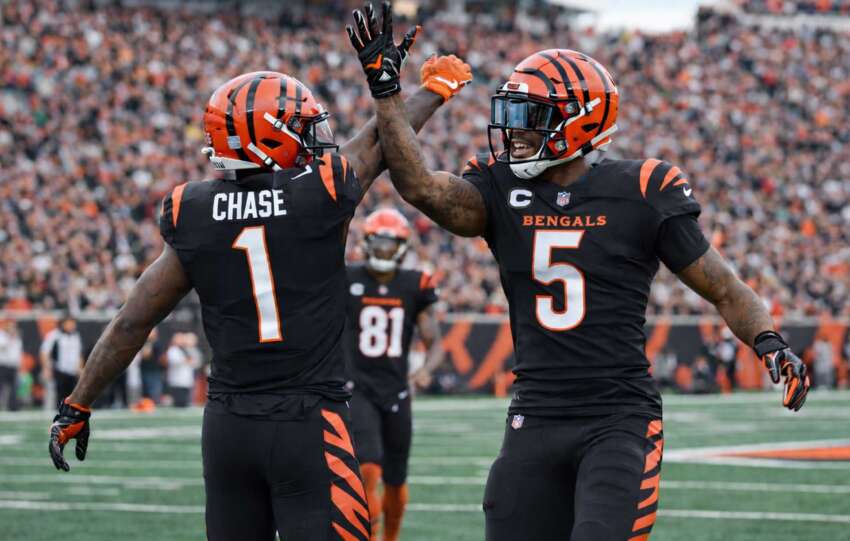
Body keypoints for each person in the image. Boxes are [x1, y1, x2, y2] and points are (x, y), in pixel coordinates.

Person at [346, 8, 810, 539]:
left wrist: (770, 342)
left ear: (580, 121)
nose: (514, 132)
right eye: (514, 115)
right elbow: (421, 187)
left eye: (531, 117)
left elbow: (724, 287)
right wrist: (387, 90)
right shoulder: (501, 189)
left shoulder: (643, 189)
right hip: (535, 412)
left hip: (617, 416)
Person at [46, 41, 471, 541]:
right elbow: (381, 140)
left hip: (228, 429)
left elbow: (131, 324)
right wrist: (434, 90)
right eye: (304, 129)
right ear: (269, 139)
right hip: (309, 423)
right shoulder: (320, 192)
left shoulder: (194, 210)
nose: (317, 141)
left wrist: (78, 403)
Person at [345, 208, 444, 541]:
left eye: (390, 244)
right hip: (357, 386)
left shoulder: (415, 284)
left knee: (397, 478)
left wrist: (426, 370)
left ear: (401, 247)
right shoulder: (348, 278)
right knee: (369, 466)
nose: (384, 250)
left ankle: (391, 538)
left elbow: (435, 343)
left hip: (397, 389)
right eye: (379, 243)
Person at [40, 315, 84, 408]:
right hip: (59, 370)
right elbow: (44, 352)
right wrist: (46, 368)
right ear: (63, 324)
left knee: (72, 398)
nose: (72, 325)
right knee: (59, 398)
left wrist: (80, 368)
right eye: (69, 323)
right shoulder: (54, 335)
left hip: (73, 372)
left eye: (73, 323)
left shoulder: (76, 336)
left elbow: (79, 354)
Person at [166, 332, 202, 407]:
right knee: (179, 402)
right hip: (176, 380)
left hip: (186, 379)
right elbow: (175, 361)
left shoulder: (185, 350)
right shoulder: (173, 349)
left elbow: (195, 362)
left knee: (185, 401)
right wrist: (187, 361)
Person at [0, 319, 23, 411]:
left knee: (14, 387)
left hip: (13, 366)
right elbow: (2, 347)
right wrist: (10, 337)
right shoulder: (2, 335)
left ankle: (13, 407)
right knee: (1, 387)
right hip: (3, 365)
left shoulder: (17, 338)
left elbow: (18, 352)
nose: (12, 328)